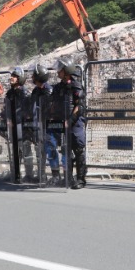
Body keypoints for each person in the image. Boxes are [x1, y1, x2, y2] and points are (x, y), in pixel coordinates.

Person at [55, 58, 87, 189]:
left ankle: (80, 179)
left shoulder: (76, 86)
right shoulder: (59, 87)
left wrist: (70, 120)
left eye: (60, 69)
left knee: (78, 150)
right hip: (62, 122)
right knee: (65, 151)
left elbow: (79, 106)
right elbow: (54, 104)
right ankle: (67, 178)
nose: (58, 71)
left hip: (75, 123)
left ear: (66, 71)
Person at [31, 64, 63, 186]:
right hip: (39, 124)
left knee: (51, 148)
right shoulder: (35, 91)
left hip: (49, 124)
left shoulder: (48, 90)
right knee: (40, 150)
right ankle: (41, 174)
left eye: (34, 75)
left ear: (39, 76)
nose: (32, 77)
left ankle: (56, 176)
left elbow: (51, 108)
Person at [5, 66, 34, 183]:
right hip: (13, 126)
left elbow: (28, 110)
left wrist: (21, 118)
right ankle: (15, 172)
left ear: (20, 78)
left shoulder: (25, 93)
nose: (11, 78)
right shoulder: (9, 93)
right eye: (12, 76)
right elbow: (6, 108)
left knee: (26, 149)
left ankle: (29, 174)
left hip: (23, 126)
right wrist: (6, 118)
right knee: (15, 150)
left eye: (14, 76)